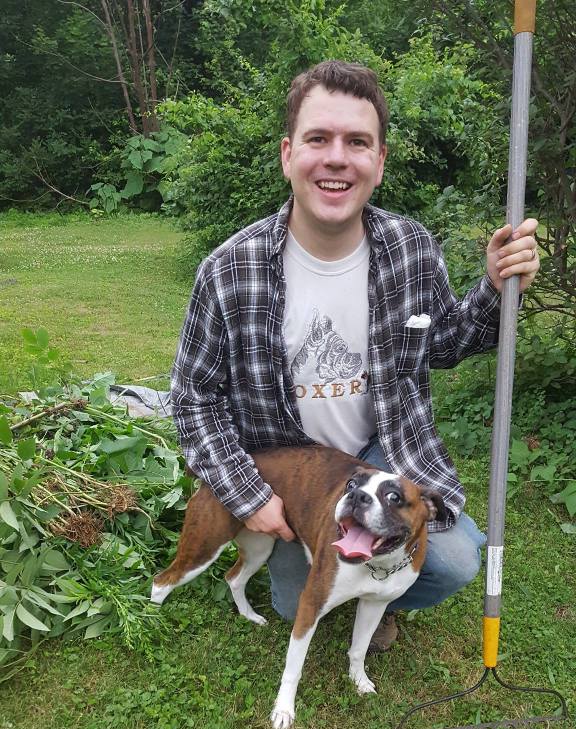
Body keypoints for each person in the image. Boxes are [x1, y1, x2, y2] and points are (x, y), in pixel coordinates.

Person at [171, 60, 539, 649]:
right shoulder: (228, 270)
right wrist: (248, 493)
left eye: (357, 142)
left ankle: (375, 589)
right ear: (289, 153)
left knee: (454, 558)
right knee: (296, 598)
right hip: (290, 473)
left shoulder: (411, 249)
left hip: (381, 453)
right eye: (319, 139)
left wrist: (493, 290)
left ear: (379, 161)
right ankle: (333, 575)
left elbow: (445, 341)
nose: (338, 158)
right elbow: (192, 400)